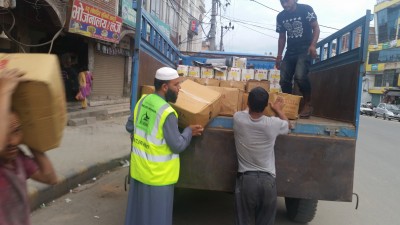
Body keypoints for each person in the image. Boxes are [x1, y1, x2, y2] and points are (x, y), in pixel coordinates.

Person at [124, 67, 204, 225]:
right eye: (176, 85)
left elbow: (129, 127)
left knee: (138, 217)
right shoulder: (167, 113)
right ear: (165, 87)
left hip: (139, 171)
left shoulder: (143, 101)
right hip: (158, 178)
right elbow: (177, 145)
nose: (179, 89)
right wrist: (188, 131)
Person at [0, 69, 58, 225]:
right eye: (7, 133)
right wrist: (4, 90)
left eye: (17, 131)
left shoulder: (18, 158)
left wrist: (32, 137)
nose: (12, 141)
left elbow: (50, 177)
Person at [233, 87, 290, 225]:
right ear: (266, 106)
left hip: (246, 181)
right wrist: (277, 109)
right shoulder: (273, 124)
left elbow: (244, 112)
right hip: (268, 183)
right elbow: (287, 125)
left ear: (248, 102)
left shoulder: (238, 119)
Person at [275, 0, 320, 118]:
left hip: (305, 50)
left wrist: (313, 45)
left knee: (300, 76)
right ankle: (289, 105)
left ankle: (308, 104)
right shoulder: (280, 16)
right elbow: (281, 37)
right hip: (290, 51)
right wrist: (279, 56)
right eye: (282, 2)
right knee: (284, 80)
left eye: (287, 1)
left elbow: (316, 28)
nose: (284, 5)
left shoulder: (306, 9)